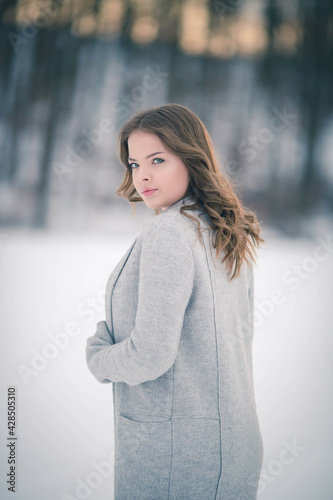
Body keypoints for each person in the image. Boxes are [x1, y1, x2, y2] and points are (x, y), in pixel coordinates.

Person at [86, 103, 265, 500]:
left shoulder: (170, 233)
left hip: (176, 461)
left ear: (190, 157)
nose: (142, 175)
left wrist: (99, 357)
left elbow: (150, 355)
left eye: (157, 159)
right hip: (232, 449)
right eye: (134, 164)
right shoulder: (224, 230)